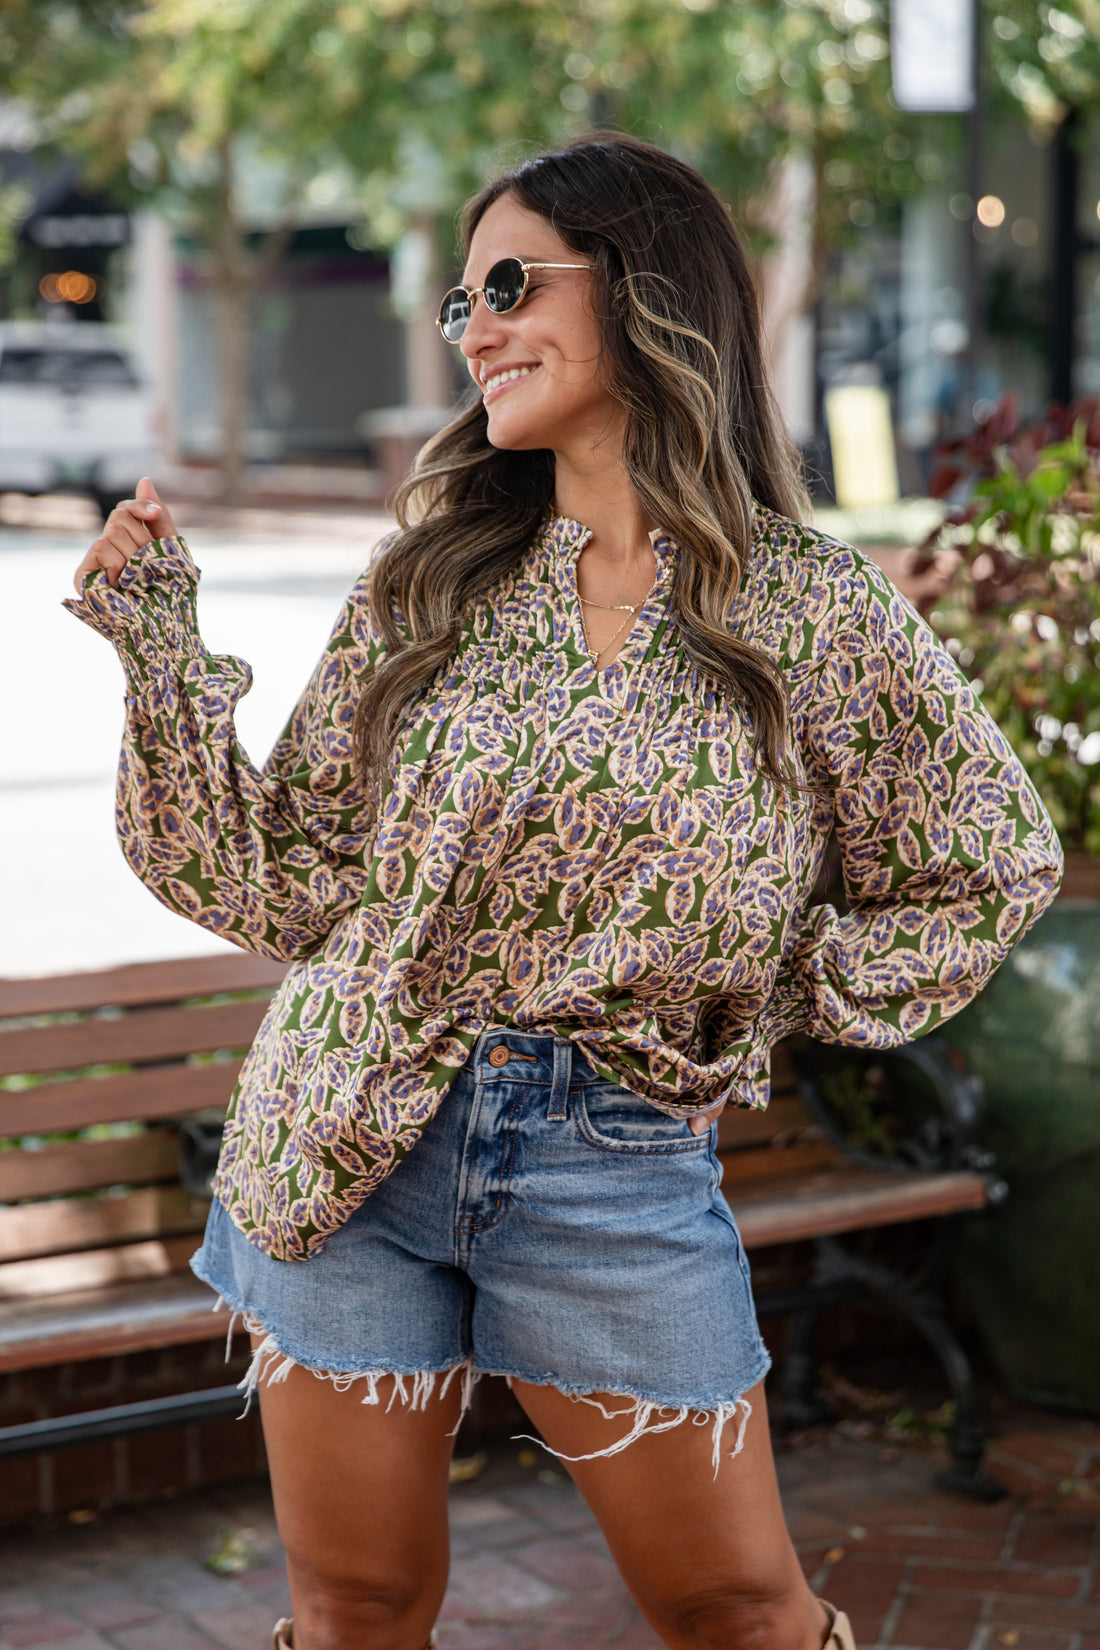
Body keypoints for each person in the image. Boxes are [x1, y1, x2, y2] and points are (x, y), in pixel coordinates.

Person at [66, 134, 1062, 1650]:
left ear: (646, 289)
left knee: (740, 1609)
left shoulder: (809, 607)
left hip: (616, 1164)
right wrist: (156, 650)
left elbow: (987, 862)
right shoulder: (433, 579)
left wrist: (759, 995)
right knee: (356, 1606)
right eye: (463, 299)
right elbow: (277, 877)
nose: (476, 330)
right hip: (347, 1137)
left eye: (512, 285)